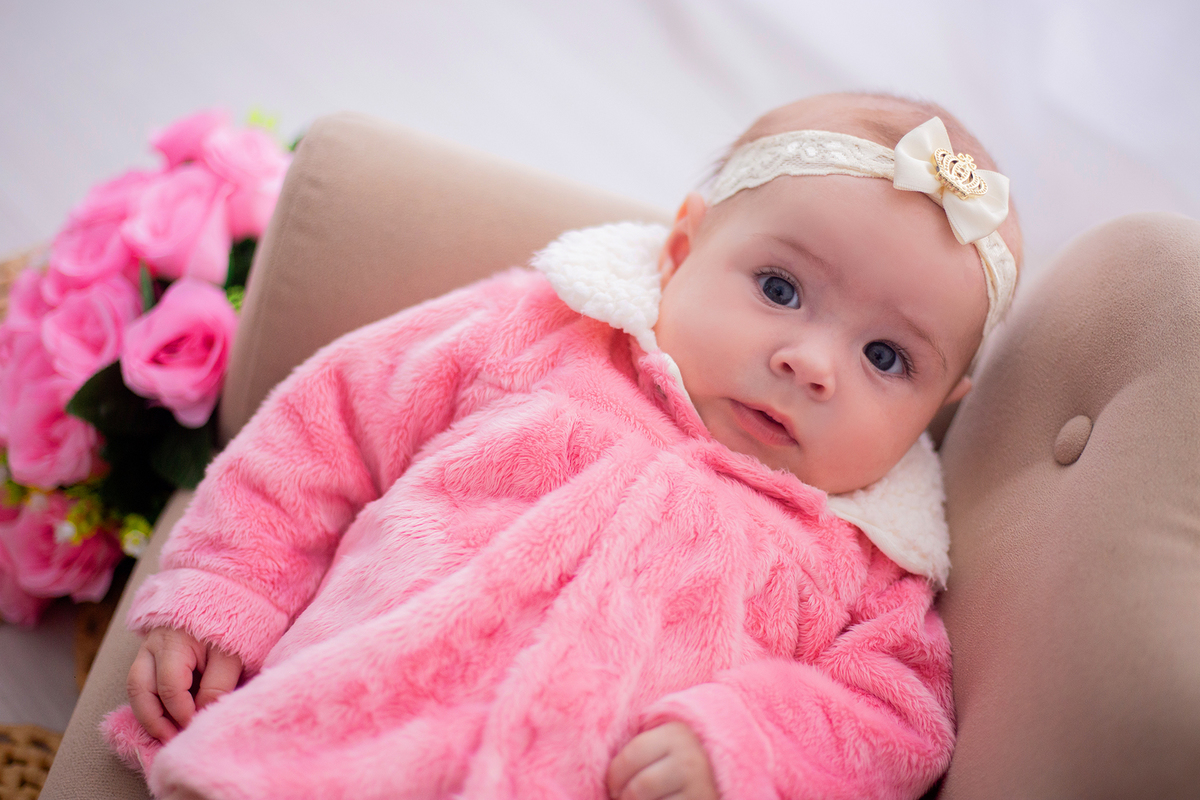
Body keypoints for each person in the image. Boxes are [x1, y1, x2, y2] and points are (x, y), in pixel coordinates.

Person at [105, 92, 1022, 800]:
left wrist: (746, 746)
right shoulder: (548, 333)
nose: (812, 362)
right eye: (781, 288)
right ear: (681, 249)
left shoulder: (870, 559)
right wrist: (230, 587)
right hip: (336, 741)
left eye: (887, 357)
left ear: (943, 406)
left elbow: (892, 718)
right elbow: (331, 425)